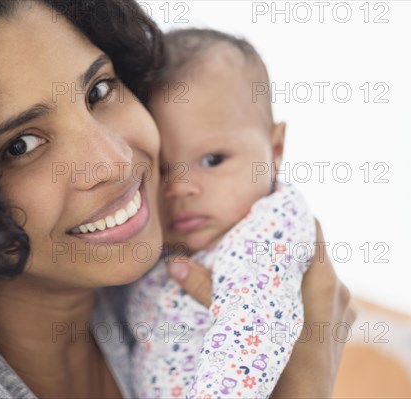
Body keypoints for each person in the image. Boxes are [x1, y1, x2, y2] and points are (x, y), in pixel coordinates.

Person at [0, 1, 355, 398]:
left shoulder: (128, 276)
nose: (114, 162)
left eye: (98, 90)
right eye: (21, 145)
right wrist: (306, 378)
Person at [127, 29, 316, 398]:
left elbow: (250, 327)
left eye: (212, 160)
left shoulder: (268, 229)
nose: (179, 188)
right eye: (161, 169)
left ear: (275, 150)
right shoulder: (166, 239)